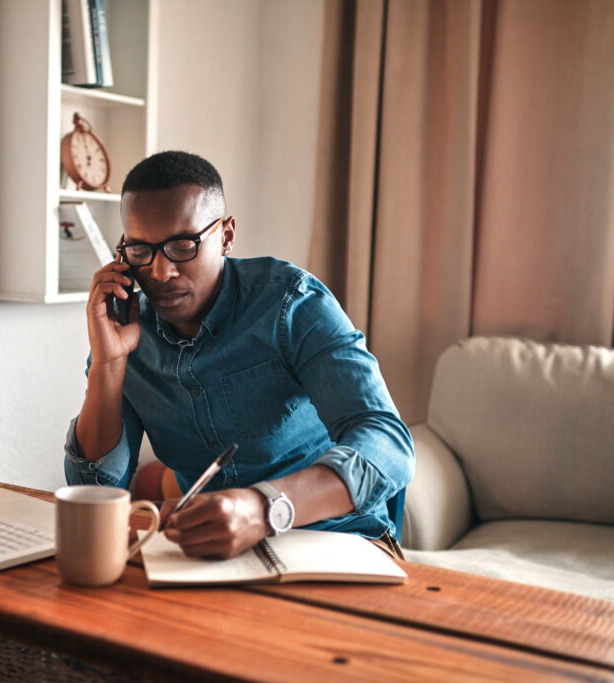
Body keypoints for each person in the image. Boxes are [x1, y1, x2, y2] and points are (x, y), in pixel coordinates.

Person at [64, 151, 414, 560]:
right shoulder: (125, 331)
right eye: (140, 250)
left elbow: (388, 444)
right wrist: (107, 365)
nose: (160, 273)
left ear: (226, 236)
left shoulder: (292, 305)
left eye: (182, 245)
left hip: (339, 539)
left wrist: (266, 508)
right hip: (214, 553)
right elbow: (96, 492)